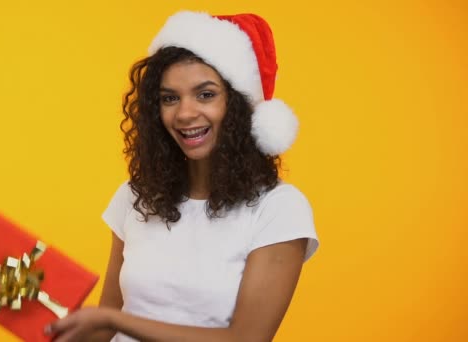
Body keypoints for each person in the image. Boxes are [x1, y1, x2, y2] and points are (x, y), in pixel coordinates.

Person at [45, 10, 319, 342]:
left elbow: (246, 339)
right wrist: (7, 302)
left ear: (238, 105)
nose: (185, 113)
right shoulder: (136, 196)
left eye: (206, 94)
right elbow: (102, 332)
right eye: (169, 98)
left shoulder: (279, 208)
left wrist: (115, 320)